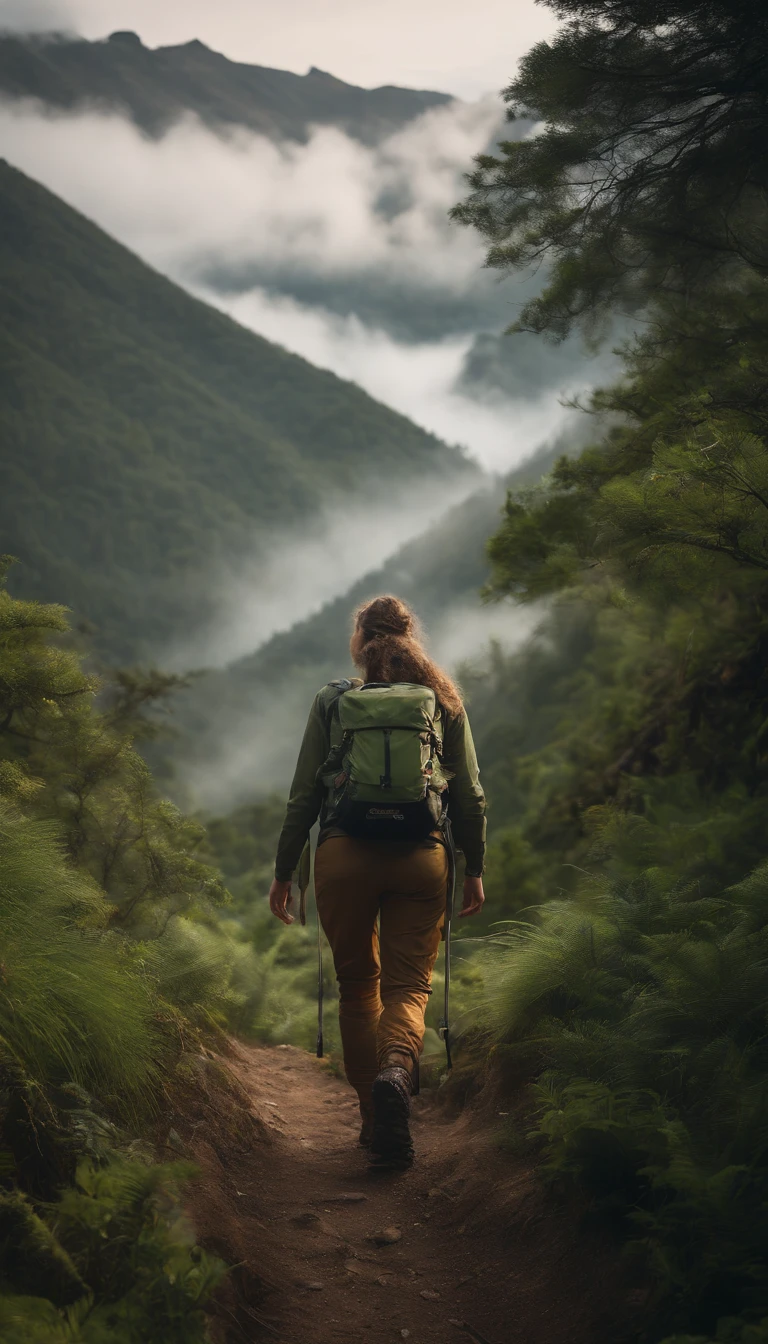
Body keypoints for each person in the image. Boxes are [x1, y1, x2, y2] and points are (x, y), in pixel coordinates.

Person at [268, 594, 486, 1166]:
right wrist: (475, 867)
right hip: (422, 855)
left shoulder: (332, 700)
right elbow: (469, 795)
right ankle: (396, 1069)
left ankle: (373, 1121)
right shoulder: (442, 699)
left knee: (358, 988)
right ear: (410, 639)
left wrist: (286, 872)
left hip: (343, 855)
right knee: (408, 988)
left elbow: (303, 795)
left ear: (360, 642)